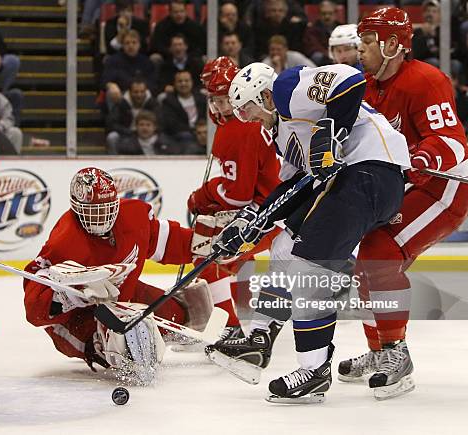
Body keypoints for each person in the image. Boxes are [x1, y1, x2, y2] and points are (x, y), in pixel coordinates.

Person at [211, 61, 410, 402]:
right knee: (286, 247)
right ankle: (262, 334)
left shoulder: (289, 88)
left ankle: (314, 369)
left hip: (371, 173)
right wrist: (253, 226)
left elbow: (349, 80)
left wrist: (331, 130)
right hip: (350, 183)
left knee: (309, 268)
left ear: (265, 95)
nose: (247, 119)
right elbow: (294, 187)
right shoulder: (281, 137)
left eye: (248, 109)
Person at [337, 7, 468, 400]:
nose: (359, 49)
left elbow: (449, 141)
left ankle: (397, 355)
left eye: (366, 42)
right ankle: (381, 351)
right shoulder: (365, 85)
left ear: (393, 44)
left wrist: (415, 161)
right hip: (404, 189)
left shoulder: (426, 81)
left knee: (379, 252)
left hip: (443, 190)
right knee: (367, 265)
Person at [23, 167, 212, 383]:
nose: (101, 217)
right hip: (78, 317)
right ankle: (109, 349)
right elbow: (34, 309)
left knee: (185, 311)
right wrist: (73, 294)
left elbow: (166, 241)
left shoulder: (134, 217)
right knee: (122, 340)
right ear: (76, 207)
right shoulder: (64, 240)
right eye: (94, 210)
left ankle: (195, 336)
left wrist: (202, 244)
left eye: (106, 208)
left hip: (124, 295)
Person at [187, 64, 282, 346]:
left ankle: (231, 325)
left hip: (270, 213)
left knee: (208, 255)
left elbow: (239, 195)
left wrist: (204, 195)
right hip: (278, 207)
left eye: (225, 98)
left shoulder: (237, 131)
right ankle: (242, 311)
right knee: (235, 254)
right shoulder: (247, 122)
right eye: (215, 99)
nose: (220, 106)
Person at [101, 29, 157, 106]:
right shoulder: (113, 60)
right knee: (111, 92)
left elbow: (153, 82)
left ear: (139, 45)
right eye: (127, 43)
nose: (131, 46)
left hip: (142, 93)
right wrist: (111, 85)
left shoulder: (146, 62)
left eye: (134, 42)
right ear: (123, 45)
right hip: (121, 93)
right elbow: (105, 79)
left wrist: (140, 90)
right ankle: (114, 118)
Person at [105, 78, 159, 154]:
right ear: (130, 92)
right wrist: (128, 132)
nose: (139, 95)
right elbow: (112, 123)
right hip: (126, 134)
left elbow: (159, 122)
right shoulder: (121, 103)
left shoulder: (153, 103)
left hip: (149, 134)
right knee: (112, 137)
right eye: (136, 92)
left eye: (142, 92)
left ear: (146, 92)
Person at [160, 70, 206, 153]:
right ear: (174, 84)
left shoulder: (202, 98)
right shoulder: (168, 101)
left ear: (192, 82)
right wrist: (194, 132)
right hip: (181, 137)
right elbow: (171, 124)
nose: (183, 84)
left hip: (203, 133)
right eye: (180, 81)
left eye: (186, 81)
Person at [302, 0, 341, 66]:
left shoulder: (341, 28)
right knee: (317, 56)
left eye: (330, 13)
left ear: (335, 14)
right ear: (319, 14)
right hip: (323, 58)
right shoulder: (312, 30)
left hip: (340, 54)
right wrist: (330, 55)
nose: (327, 16)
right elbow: (314, 47)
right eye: (324, 13)